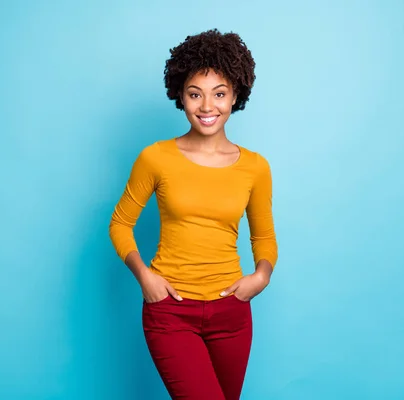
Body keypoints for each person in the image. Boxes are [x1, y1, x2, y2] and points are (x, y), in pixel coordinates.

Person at [108, 28, 278, 400]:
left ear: (235, 96)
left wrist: (261, 276)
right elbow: (120, 223)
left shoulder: (255, 167)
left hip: (232, 315)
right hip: (170, 313)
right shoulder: (155, 158)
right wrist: (145, 276)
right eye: (194, 94)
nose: (206, 107)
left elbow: (263, 236)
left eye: (219, 94)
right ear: (180, 96)